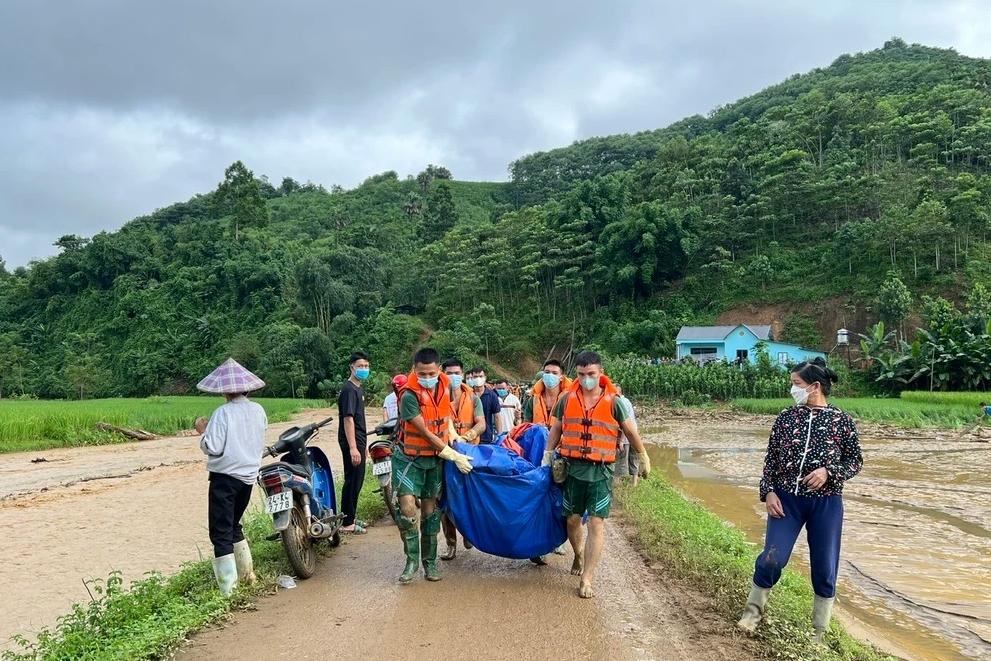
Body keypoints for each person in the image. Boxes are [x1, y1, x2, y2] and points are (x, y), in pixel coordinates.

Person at [737, 358, 863, 643]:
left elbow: (856, 461)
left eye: (797, 384)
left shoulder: (841, 421)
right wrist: (768, 491)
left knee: (824, 566)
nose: (792, 389)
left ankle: (818, 632)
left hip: (826, 504)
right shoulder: (786, 418)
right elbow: (770, 460)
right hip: (786, 502)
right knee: (772, 558)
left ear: (815, 387)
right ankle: (752, 614)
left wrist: (829, 471)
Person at [546, 351, 651, 599]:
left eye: (591, 374)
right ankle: (579, 554)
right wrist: (548, 453)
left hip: (601, 471)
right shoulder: (566, 398)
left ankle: (587, 578)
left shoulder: (615, 402)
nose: (586, 380)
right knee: (572, 520)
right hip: (572, 470)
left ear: (600, 373)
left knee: (596, 522)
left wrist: (643, 455)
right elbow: (557, 428)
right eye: (581, 375)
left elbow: (630, 431)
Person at [394, 347, 475, 584]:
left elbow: (444, 416)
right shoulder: (408, 396)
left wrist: (454, 436)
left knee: (431, 512)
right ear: (414, 371)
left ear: (439, 370)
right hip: (410, 457)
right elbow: (425, 432)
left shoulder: (446, 385)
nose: (427, 378)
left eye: (431, 373)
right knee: (408, 509)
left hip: (435, 459)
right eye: (422, 374)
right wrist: (452, 454)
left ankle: (429, 563)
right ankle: (411, 561)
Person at [194, 358, 268, 596]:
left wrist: (203, 432)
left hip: (225, 478)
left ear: (225, 390)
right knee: (234, 525)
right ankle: (248, 576)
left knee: (220, 532)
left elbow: (213, 447)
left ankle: (228, 589)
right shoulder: (258, 410)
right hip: (247, 477)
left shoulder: (222, 413)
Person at [440, 357, 485, 560]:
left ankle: (468, 532)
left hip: (469, 454)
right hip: (445, 455)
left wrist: (467, 436)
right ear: (443, 374)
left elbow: (481, 424)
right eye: (449, 373)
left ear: (463, 374)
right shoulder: (438, 397)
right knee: (445, 501)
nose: (453, 377)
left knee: (470, 497)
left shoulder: (473, 398)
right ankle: (451, 544)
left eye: (457, 373)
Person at [338, 351, 370, 534]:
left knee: (357, 480)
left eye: (366, 366)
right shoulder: (349, 389)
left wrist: (362, 446)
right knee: (352, 480)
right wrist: (353, 448)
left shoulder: (358, 388)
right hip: (352, 441)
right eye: (360, 366)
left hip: (359, 441)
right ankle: (346, 523)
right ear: (352, 367)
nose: (364, 369)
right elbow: (348, 419)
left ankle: (351, 516)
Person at [523, 359, 572, 430]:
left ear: (561, 377)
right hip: (537, 439)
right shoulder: (533, 400)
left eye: (554, 373)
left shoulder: (569, 399)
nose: (550, 375)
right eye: (547, 372)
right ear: (543, 375)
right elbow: (526, 426)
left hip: (561, 440)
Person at [612, 384, 640, 486]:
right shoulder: (627, 401)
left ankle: (618, 484)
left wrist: (621, 440)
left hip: (626, 437)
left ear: (618, 392)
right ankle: (634, 483)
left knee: (620, 460)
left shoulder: (620, 402)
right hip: (634, 435)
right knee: (633, 459)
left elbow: (624, 424)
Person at [466, 366, 504, 442]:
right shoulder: (467, 394)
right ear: (472, 378)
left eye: (480, 376)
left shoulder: (492, 395)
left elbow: (497, 417)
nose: (478, 379)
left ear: (485, 378)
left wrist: (500, 436)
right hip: (468, 436)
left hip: (486, 437)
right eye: (475, 377)